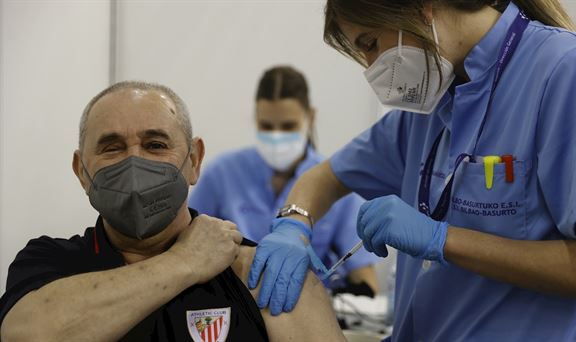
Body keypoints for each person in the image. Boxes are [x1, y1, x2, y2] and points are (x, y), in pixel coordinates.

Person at [247, 1, 576, 341]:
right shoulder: (433, 103)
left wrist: (442, 240)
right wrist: (294, 224)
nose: (370, 67)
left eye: (371, 44)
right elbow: (323, 178)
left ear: (421, 7)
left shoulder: (565, 69)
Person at [0, 81, 346, 342]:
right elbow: (26, 334)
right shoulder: (50, 262)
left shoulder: (263, 275)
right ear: (81, 171)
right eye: (112, 147)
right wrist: (185, 262)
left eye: (156, 145)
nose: (135, 163)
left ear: (194, 160)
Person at [189, 65, 379, 299]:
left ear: (310, 117)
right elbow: (188, 248)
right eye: (267, 127)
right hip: (232, 303)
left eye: (288, 126)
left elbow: (365, 280)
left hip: (306, 307)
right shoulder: (222, 174)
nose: (276, 136)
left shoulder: (335, 182)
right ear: (255, 119)